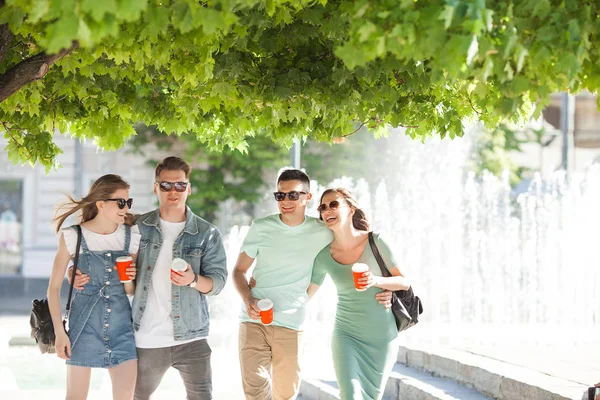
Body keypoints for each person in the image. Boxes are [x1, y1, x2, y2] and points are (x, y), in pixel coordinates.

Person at [71, 156, 228, 400]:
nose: (172, 191)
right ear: (156, 188)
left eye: (180, 185)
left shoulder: (207, 234)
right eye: (165, 185)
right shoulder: (137, 226)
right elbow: (100, 241)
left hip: (193, 336)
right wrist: (75, 269)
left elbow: (218, 283)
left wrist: (192, 280)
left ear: (189, 188)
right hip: (147, 336)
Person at [232, 169, 391, 400]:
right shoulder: (261, 227)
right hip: (253, 322)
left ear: (308, 197)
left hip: (291, 324)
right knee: (255, 391)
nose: (286, 201)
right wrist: (248, 298)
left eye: (293, 195)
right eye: (280, 196)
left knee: (285, 395)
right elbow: (239, 270)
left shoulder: (323, 231)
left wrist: (385, 287)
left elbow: (356, 248)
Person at [307, 188, 411, 400]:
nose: (327, 210)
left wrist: (377, 281)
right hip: (346, 335)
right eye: (322, 208)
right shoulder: (323, 256)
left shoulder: (376, 241)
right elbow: (305, 295)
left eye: (333, 204)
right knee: (351, 395)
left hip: (382, 336)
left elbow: (403, 282)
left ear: (351, 209)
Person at [48, 174, 139, 400]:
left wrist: (127, 278)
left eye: (128, 202)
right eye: (120, 202)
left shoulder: (132, 235)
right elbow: (53, 288)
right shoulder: (73, 235)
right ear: (100, 204)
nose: (125, 208)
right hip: (83, 326)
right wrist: (60, 333)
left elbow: (130, 292)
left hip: (122, 328)